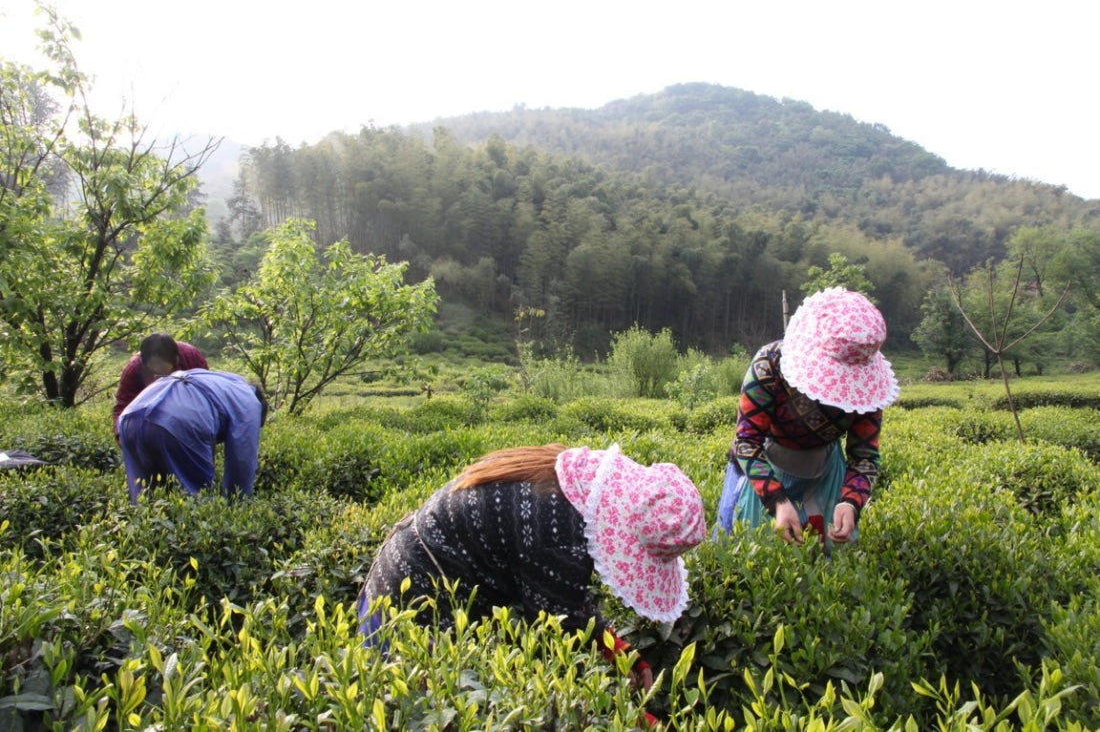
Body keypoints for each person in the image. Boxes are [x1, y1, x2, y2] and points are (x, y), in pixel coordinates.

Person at [357, 443, 706, 695]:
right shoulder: (557, 533)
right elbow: (557, 636)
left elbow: (566, 602)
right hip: (406, 609)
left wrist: (618, 651)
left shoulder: (573, 482)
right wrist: (634, 716)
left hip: (403, 568)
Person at [715, 287, 900, 550]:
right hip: (763, 462)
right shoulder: (769, 365)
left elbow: (864, 455)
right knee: (743, 549)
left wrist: (850, 502)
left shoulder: (866, 393)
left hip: (823, 468)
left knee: (824, 556)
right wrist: (777, 501)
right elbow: (747, 440)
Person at [117, 369, 268, 504]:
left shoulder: (226, 381)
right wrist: (236, 504)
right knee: (196, 501)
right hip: (178, 422)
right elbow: (242, 461)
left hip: (130, 418)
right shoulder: (250, 402)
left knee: (145, 498)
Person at [113, 333, 208, 438]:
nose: (161, 378)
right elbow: (123, 405)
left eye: (166, 373)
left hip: (191, 413)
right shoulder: (134, 369)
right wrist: (121, 435)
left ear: (176, 360)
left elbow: (205, 392)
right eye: (155, 372)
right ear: (144, 363)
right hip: (152, 420)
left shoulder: (191, 356)